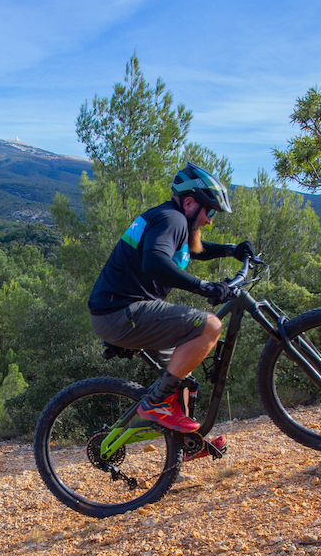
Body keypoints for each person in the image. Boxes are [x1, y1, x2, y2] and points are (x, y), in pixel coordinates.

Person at [88, 162, 253, 455]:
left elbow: (191, 250)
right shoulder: (172, 219)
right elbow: (153, 261)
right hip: (123, 313)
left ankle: (187, 445)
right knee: (211, 326)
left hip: (117, 312)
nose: (210, 221)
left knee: (182, 376)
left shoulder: (169, 218)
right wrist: (203, 287)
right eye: (209, 211)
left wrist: (230, 249)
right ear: (190, 202)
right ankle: (154, 404)